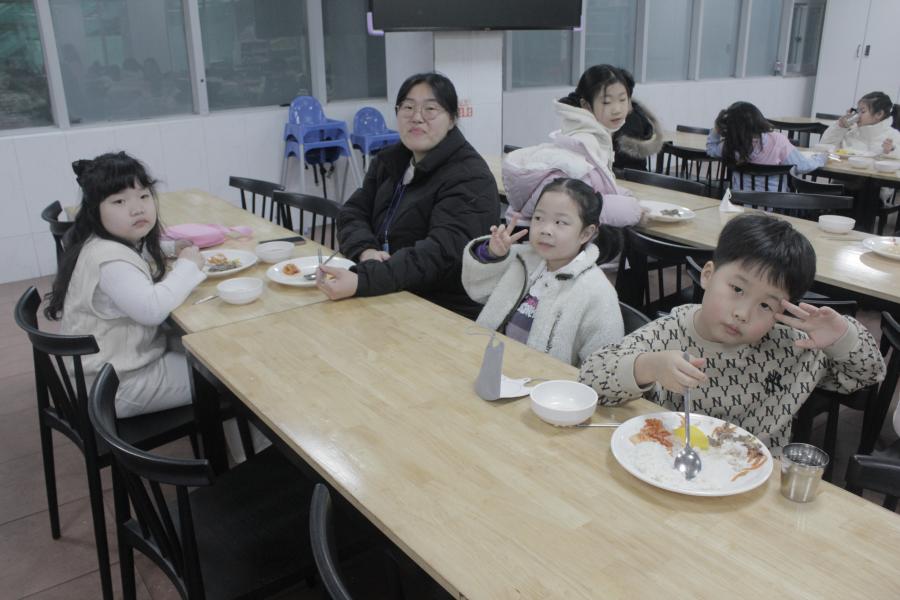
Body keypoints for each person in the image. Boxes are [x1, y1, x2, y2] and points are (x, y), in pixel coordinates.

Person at [578, 213, 885, 450]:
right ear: (708, 275)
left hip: (756, 477)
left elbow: (867, 375)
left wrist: (842, 338)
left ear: (782, 309)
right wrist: (648, 366)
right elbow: (591, 378)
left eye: (765, 305)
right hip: (671, 463)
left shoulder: (792, 347)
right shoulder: (668, 334)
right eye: (737, 289)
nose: (743, 313)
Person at [321, 72, 499, 319]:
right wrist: (366, 251)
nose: (416, 117)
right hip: (389, 291)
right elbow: (352, 212)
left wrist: (365, 279)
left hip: (442, 309)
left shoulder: (470, 177)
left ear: (452, 119)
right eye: (408, 107)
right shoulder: (389, 161)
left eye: (430, 109)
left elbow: (441, 255)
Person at [45, 152, 206, 418]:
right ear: (95, 210)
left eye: (144, 196)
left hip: (110, 369)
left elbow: (135, 253)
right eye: (119, 201)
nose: (137, 209)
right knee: (226, 376)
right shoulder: (110, 261)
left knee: (205, 351)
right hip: (117, 386)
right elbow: (152, 309)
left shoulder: (102, 242)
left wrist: (169, 248)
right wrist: (188, 266)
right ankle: (236, 443)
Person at [462, 178, 624, 366]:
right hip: (487, 363)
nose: (546, 230)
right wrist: (492, 254)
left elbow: (604, 365)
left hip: (543, 381)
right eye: (538, 218)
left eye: (560, 222)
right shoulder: (521, 258)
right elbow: (477, 290)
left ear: (586, 234)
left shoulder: (597, 292)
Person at [502, 64, 644, 229]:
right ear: (586, 105)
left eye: (622, 99)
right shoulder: (585, 143)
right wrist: (634, 210)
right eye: (607, 102)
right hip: (547, 235)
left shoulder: (588, 135)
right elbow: (582, 206)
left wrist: (622, 194)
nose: (617, 109)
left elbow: (593, 186)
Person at [706, 101, 826, 191]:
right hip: (775, 206)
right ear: (758, 118)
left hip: (740, 203)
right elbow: (802, 166)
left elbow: (711, 149)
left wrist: (716, 129)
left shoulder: (730, 145)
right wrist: (820, 158)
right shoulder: (777, 141)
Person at [820, 91, 900, 158]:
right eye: (857, 111)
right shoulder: (851, 132)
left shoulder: (893, 135)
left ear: (879, 114)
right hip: (846, 171)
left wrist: (891, 151)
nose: (858, 115)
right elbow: (825, 148)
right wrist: (839, 127)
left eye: (862, 111)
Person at [612, 98, 665, 172]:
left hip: (627, 174)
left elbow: (619, 161)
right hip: (638, 172)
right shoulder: (639, 113)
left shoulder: (631, 120)